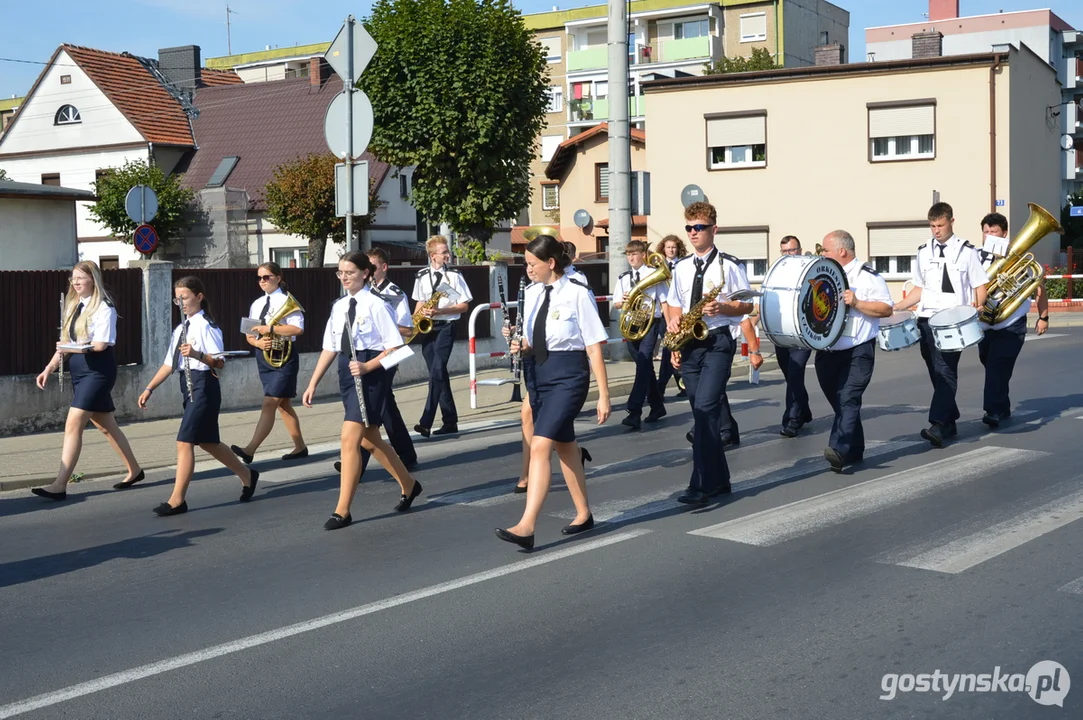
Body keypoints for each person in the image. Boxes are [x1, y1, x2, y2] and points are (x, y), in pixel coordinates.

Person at [495, 234, 610, 550]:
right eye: (525, 263)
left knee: (541, 444)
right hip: (539, 373)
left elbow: (593, 346)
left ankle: (526, 525)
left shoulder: (577, 293)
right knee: (566, 446)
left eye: (532, 263)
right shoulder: (531, 294)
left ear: (550, 263)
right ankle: (584, 513)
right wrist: (520, 341)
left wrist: (604, 394)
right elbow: (534, 338)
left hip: (569, 375)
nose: (528, 269)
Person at [303, 251, 422, 531]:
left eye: (350, 273)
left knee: (349, 438)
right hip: (348, 372)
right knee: (369, 439)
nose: (344, 278)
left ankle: (342, 511)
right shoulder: (339, 306)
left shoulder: (378, 305)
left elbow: (397, 348)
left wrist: (368, 367)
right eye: (340, 272)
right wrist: (312, 383)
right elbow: (330, 347)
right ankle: (409, 484)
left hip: (372, 374)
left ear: (365, 273)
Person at [138, 276, 258, 516]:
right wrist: (149, 388)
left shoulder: (206, 326)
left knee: (184, 441)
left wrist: (196, 354)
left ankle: (177, 500)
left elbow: (219, 362)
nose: (180, 302)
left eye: (184, 297)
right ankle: (247, 474)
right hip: (188, 385)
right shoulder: (181, 328)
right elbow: (169, 364)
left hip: (204, 385)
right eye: (177, 298)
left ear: (199, 297)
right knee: (208, 442)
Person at [663, 201, 753, 505]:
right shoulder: (681, 266)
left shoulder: (728, 265)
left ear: (714, 229)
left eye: (699, 227)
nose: (693, 233)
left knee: (705, 409)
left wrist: (723, 307)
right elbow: (674, 302)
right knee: (703, 415)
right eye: (689, 228)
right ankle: (721, 481)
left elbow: (747, 305)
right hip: (689, 342)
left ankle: (701, 484)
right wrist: (674, 325)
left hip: (717, 341)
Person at [31, 261, 144, 501]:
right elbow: (63, 344)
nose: (76, 282)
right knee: (106, 425)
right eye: (73, 278)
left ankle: (60, 485)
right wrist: (48, 368)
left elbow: (102, 345)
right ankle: (135, 470)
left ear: (93, 279)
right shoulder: (74, 306)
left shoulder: (104, 307)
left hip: (98, 373)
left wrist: (72, 347)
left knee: (73, 424)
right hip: (80, 373)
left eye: (80, 278)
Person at [894, 202, 988, 447]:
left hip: (953, 322)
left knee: (946, 370)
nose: (936, 230)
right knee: (935, 371)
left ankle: (937, 424)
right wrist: (898, 307)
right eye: (932, 226)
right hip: (927, 319)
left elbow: (980, 285)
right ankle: (950, 420)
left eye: (940, 225)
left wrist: (978, 305)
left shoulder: (967, 251)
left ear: (951, 222)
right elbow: (919, 288)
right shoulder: (923, 251)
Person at [814, 231, 893, 472]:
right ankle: (856, 447)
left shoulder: (868, 277)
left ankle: (839, 449)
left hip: (857, 350)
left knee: (848, 398)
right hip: (828, 350)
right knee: (839, 402)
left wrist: (857, 303)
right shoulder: (824, 274)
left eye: (826, 250)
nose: (822, 254)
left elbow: (886, 309)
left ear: (842, 251)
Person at [975, 212, 1049, 427]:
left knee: (998, 366)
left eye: (994, 231)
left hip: (1011, 323)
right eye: (986, 232)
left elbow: (1038, 287)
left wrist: (1043, 317)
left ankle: (993, 411)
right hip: (984, 324)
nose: (989, 236)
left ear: (1004, 233)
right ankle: (1002, 406)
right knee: (992, 366)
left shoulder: (1021, 258)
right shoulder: (975, 258)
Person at [230, 262, 308, 465]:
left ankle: (250, 449)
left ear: (278, 278)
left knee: (269, 402)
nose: (262, 281)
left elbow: (297, 329)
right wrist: (257, 342)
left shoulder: (287, 301)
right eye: (259, 278)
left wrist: (270, 330)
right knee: (283, 405)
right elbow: (249, 333)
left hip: (285, 358)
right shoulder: (256, 304)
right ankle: (300, 447)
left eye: (267, 277)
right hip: (264, 358)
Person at [361, 248, 419, 470]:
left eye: (373, 267)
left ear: (383, 268)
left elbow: (407, 329)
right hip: (368, 352)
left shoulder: (395, 293)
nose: (368, 271)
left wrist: (382, 322)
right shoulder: (364, 292)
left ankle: (357, 459)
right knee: (383, 405)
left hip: (389, 353)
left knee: (372, 404)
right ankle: (406, 454)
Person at [411, 236, 472, 438]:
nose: (448, 255)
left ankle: (426, 421)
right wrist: (415, 322)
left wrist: (440, 312)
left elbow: (464, 306)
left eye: (447, 251)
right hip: (428, 328)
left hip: (446, 326)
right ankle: (450, 421)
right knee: (439, 375)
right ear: (433, 255)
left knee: (437, 370)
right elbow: (420, 302)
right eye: (444, 252)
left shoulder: (454, 275)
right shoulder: (421, 275)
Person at [614, 240, 666, 430]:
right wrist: (624, 301)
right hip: (632, 325)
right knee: (645, 367)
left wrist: (671, 328)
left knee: (644, 364)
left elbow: (665, 301)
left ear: (643, 255)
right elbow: (617, 303)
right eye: (628, 254)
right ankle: (657, 406)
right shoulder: (624, 277)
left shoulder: (654, 275)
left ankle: (634, 410)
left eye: (634, 254)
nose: (631, 257)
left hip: (650, 323)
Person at [775, 235, 814, 437]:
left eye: (792, 250)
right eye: (785, 251)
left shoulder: (809, 269)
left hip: (802, 333)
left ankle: (792, 419)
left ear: (799, 250)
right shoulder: (777, 272)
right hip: (781, 332)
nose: (789, 255)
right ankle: (804, 410)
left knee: (795, 374)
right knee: (791, 377)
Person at [654, 234, 688, 398]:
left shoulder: (683, 265)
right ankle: (679, 384)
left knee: (673, 348)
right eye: (668, 247)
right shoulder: (658, 266)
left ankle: (670, 385)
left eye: (674, 247)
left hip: (679, 312)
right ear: (663, 249)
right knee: (670, 348)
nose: (671, 250)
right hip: (663, 313)